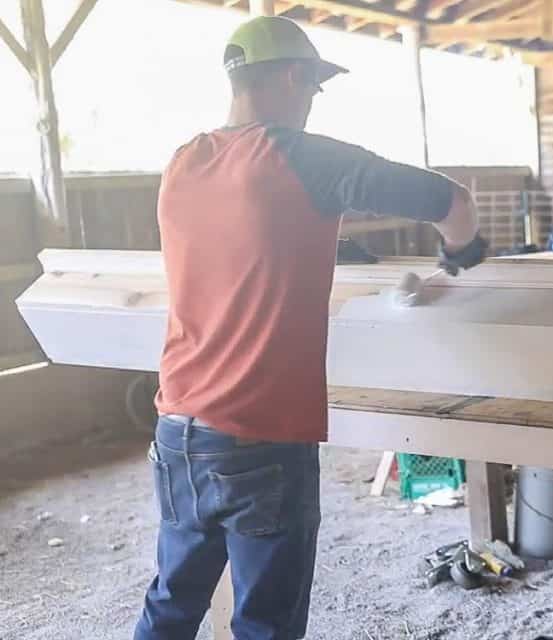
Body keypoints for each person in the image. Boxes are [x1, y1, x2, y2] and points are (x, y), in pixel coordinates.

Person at [134, 16, 487, 640]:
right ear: (295, 76)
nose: (312, 106)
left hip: (179, 431)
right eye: (314, 91)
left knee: (170, 607)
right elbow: (450, 200)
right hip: (259, 439)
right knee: (266, 624)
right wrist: (462, 253)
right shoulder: (299, 156)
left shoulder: (185, 161)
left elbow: (243, 235)